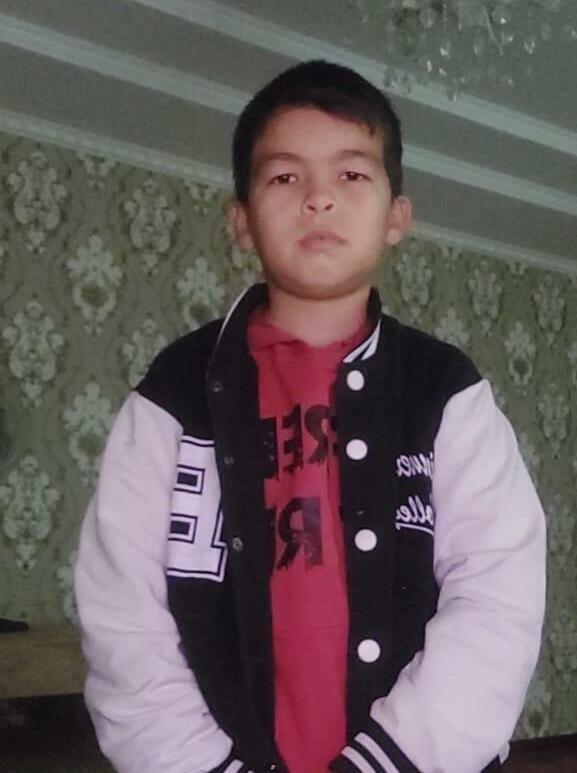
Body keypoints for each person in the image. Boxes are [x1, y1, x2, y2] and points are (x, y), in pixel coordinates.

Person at [75, 60, 546, 773]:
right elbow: (123, 615)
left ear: (396, 216)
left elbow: (497, 595)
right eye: (284, 177)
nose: (319, 198)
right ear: (240, 221)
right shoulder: (175, 394)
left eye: (351, 174)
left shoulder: (443, 390)